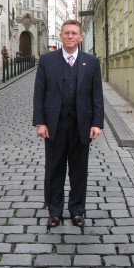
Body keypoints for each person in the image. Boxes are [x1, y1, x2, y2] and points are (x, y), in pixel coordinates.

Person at [33, 19, 104, 229]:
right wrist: (40, 122)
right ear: (61, 36)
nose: (70, 36)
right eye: (67, 33)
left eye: (74, 33)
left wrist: (97, 123)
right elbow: (39, 94)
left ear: (81, 38)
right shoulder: (47, 61)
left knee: (78, 171)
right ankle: (54, 211)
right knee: (54, 170)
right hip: (54, 125)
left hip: (81, 126)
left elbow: (97, 96)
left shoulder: (91, 62)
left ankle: (77, 210)